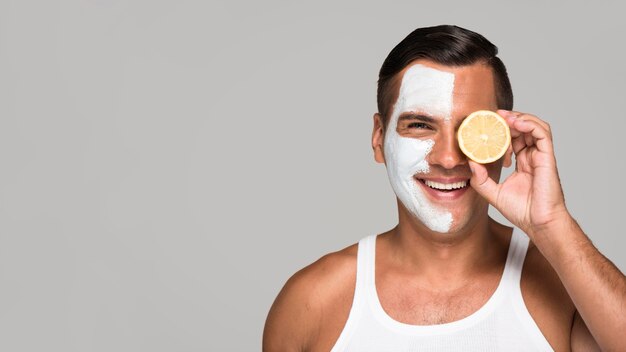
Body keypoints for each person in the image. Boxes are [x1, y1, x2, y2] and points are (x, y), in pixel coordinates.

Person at [263, 25, 626, 351]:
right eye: (421, 125)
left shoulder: (565, 290)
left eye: (471, 129)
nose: (449, 159)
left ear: (504, 142)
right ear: (379, 138)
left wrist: (552, 224)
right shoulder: (312, 302)